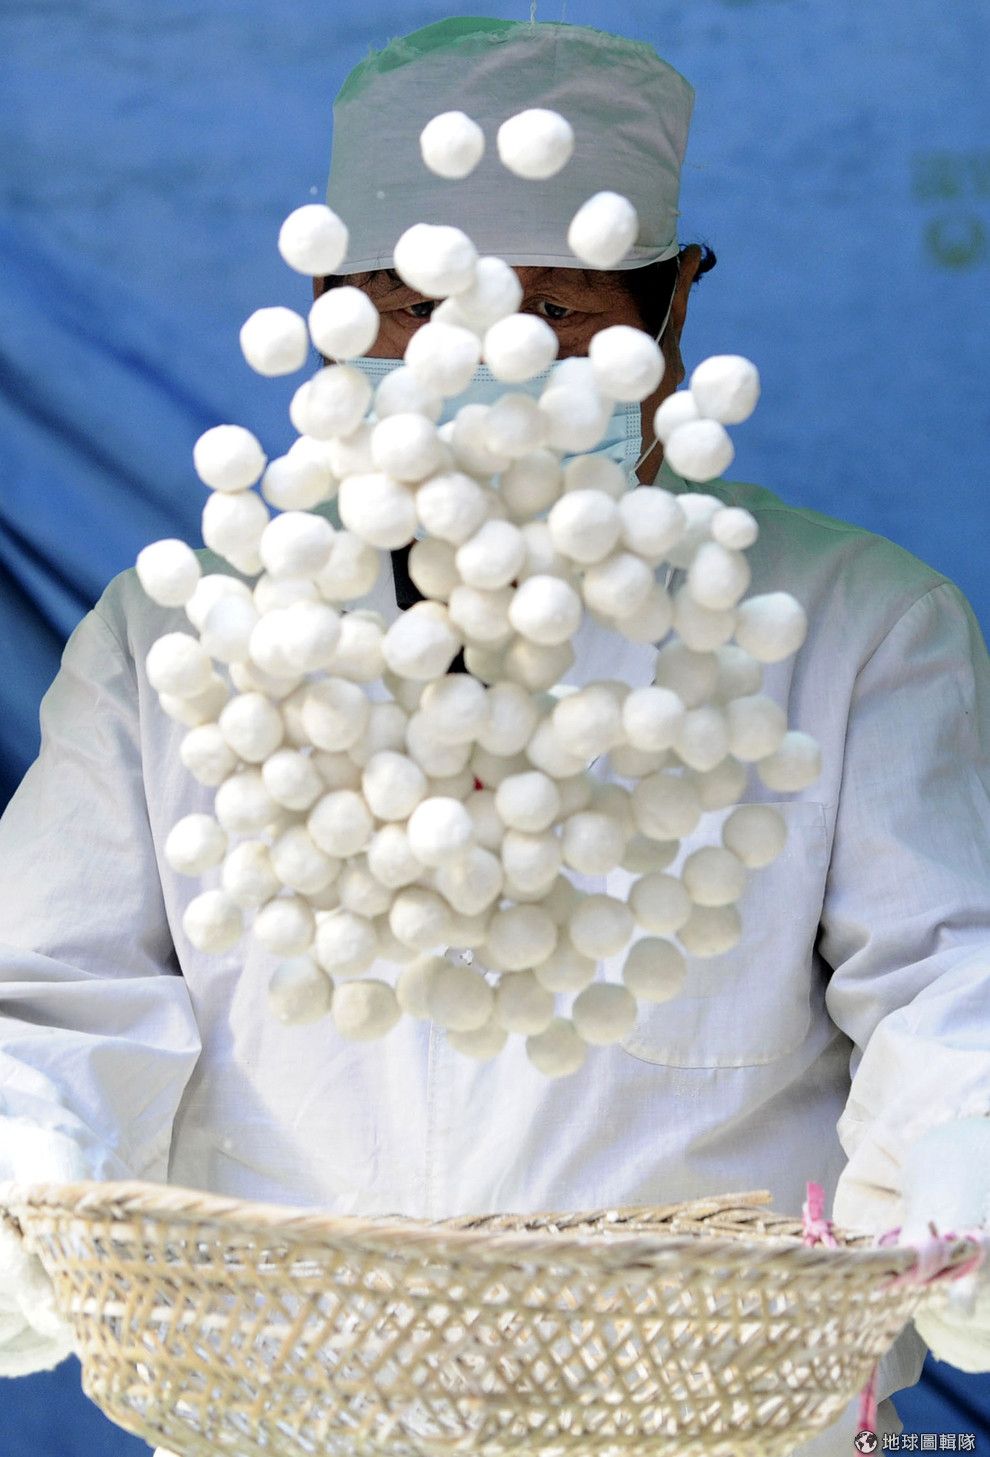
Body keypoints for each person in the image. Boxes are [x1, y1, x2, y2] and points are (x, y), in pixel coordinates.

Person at [0, 18, 988, 1454]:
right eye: (414, 311)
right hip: (285, 1413)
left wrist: (966, 1192)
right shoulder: (180, 638)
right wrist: (20, 1189)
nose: (487, 367)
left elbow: (952, 986)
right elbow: (49, 996)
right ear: (327, 312)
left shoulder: (847, 628)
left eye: (560, 314)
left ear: (674, 312)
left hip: (719, 1416)